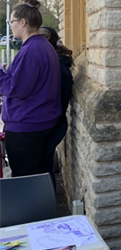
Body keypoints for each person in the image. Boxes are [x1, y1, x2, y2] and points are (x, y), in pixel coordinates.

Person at [0, 0, 61, 177]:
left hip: (27, 127)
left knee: (26, 181)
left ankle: (33, 207)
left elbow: (16, 90)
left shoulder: (31, 51)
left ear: (23, 22)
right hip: (41, 122)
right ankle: (43, 206)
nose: (11, 26)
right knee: (41, 176)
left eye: (11, 22)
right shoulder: (42, 46)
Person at [38, 26, 74, 180]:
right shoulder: (58, 64)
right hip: (55, 122)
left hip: (53, 123)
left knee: (43, 169)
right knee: (44, 167)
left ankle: (46, 202)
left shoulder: (57, 68)